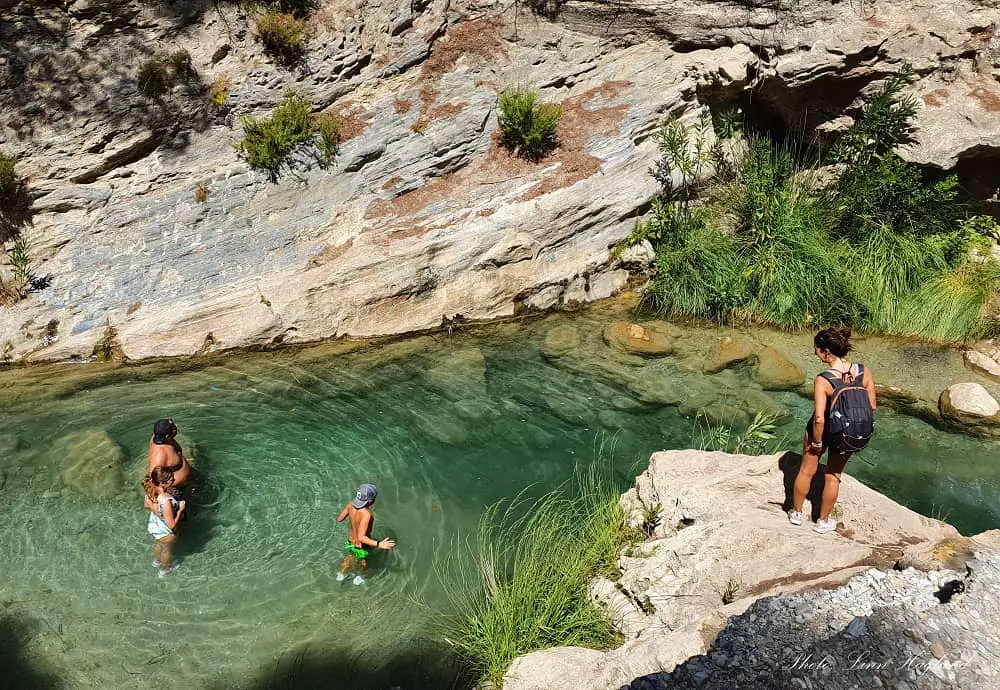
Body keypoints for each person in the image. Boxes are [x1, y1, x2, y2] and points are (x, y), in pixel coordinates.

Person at [788, 328, 877, 534]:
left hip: (822, 430)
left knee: (806, 470)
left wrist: (817, 442)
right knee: (833, 475)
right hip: (844, 432)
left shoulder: (824, 379)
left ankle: (797, 514)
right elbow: (872, 406)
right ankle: (823, 521)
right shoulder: (863, 371)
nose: (815, 353)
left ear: (826, 352)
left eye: (817, 349)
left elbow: (819, 417)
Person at [336, 483, 395, 585]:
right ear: (371, 501)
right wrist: (379, 544)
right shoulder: (367, 515)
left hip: (350, 542)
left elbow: (339, 518)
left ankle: (341, 574)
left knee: (350, 556)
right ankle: (359, 578)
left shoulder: (350, 505)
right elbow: (361, 537)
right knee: (363, 561)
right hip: (362, 546)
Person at [143, 466, 186, 577]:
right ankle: (165, 569)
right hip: (165, 531)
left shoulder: (150, 491)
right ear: (162, 483)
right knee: (167, 550)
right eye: (171, 479)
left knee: (158, 544)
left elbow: (146, 506)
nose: (174, 480)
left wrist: (158, 513)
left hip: (154, 526)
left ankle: (157, 561)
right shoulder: (166, 500)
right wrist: (180, 510)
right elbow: (171, 525)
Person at [148, 419, 191, 488]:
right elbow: (152, 479)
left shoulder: (159, 435)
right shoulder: (159, 455)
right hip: (176, 488)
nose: (176, 426)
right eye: (173, 428)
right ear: (167, 436)